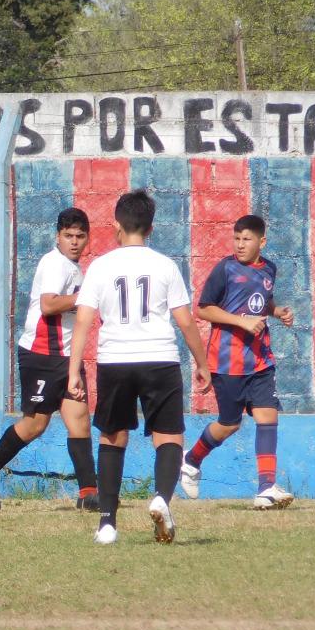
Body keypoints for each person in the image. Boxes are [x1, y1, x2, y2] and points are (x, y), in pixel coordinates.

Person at [67, 190, 211, 545]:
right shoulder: (165, 265)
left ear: (116, 225)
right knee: (169, 436)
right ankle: (161, 497)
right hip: (160, 358)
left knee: (112, 436)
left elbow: (83, 320)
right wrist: (202, 362)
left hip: (115, 360)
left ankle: (107, 523)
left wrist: (73, 371)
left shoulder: (101, 266)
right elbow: (185, 320)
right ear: (151, 228)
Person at [0, 207, 98, 511]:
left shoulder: (75, 268)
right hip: (41, 355)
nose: (74, 242)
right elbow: (48, 304)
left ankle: (89, 494)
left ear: (87, 238)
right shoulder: (54, 263)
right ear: (58, 236)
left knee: (79, 420)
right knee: (35, 425)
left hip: (66, 355)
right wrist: (87, 297)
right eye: (68, 236)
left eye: (80, 236)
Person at [179, 214, 295, 510]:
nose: (240, 245)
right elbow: (204, 309)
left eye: (247, 239)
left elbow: (262, 300)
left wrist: (277, 311)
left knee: (268, 417)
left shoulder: (269, 268)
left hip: (260, 360)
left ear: (262, 242)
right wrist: (242, 322)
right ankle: (191, 460)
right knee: (229, 424)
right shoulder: (225, 269)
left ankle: (266, 488)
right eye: (237, 239)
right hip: (227, 361)